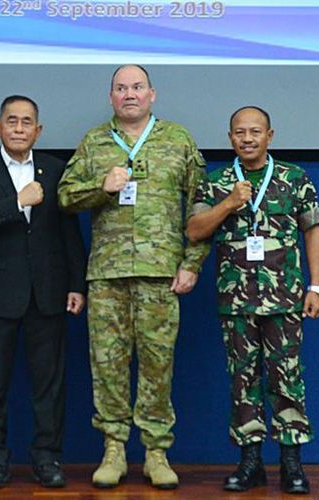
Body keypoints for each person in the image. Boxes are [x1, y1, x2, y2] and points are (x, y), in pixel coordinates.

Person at [57, 64, 209, 490]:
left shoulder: (177, 140)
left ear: (152, 94)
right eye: (121, 88)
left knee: (158, 364)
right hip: (107, 273)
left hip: (162, 274)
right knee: (107, 364)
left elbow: (201, 206)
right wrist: (101, 187)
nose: (129, 94)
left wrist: (191, 263)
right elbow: (65, 197)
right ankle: (114, 449)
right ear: (111, 98)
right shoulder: (93, 142)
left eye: (137, 87)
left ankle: (157, 452)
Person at [186, 106, 319, 495]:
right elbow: (194, 230)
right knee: (242, 381)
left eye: (255, 132)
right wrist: (228, 203)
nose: (248, 138)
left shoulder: (294, 178)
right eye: (240, 132)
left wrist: (315, 287)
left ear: (270, 135)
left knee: (287, 379)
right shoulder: (217, 182)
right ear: (230, 137)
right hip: (236, 301)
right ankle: (250, 462)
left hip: (285, 300)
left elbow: (312, 231)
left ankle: (291, 462)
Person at [0, 96, 87, 489]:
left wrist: (76, 284)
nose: (18, 128)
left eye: (26, 122)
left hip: (48, 292)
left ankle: (47, 458)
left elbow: (70, 234)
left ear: (38, 130)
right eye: (11, 121)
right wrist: (16, 202)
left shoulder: (55, 170)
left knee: (49, 384)